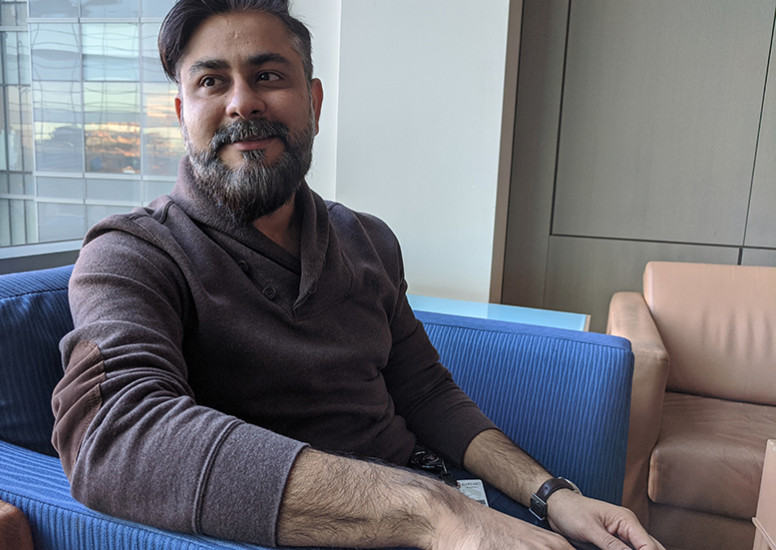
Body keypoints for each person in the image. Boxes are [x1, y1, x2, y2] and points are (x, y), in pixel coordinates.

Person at [51, 1, 664, 549]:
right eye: (213, 81)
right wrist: (435, 515)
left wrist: (552, 496)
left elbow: (426, 391)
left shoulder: (367, 238)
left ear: (313, 103)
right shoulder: (131, 252)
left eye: (268, 75)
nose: (243, 101)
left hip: (438, 501)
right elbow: (114, 433)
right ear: (183, 113)